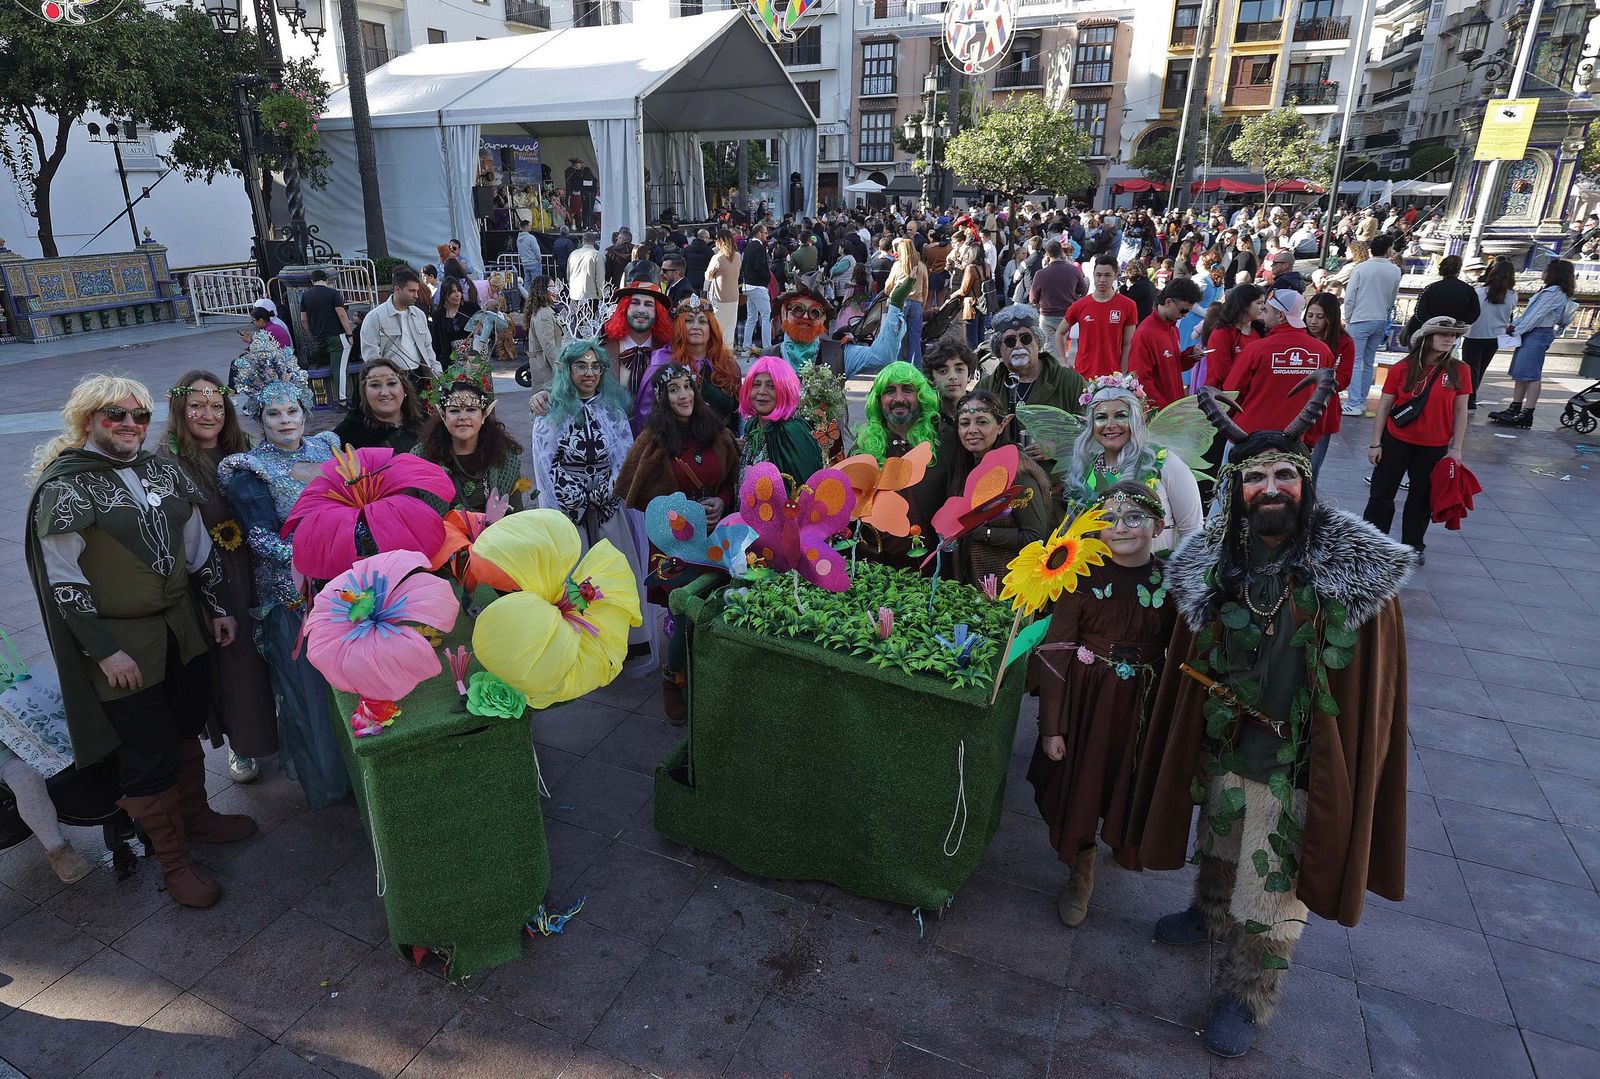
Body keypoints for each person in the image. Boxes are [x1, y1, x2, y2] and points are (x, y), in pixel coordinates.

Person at [1125, 381, 1412, 1058]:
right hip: (1226, 742)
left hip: (1297, 759)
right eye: (1256, 477)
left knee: (1270, 881)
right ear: (1238, 488)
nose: (1271, 487)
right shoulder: (1215, 561)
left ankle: (1247, 994)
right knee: (1221, 841)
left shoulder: (1354, 573)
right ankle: (1207, 911)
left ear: (1306, 482)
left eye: (1285, 473)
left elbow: (1371, 687)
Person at [26, 376, 249, 909]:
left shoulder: (162, 470)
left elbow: (197, 548)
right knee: (146, 753)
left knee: (185, 727)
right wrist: (105, 651)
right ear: (88, 420)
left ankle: (196, 817)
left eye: (140, 416)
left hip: (181, 629)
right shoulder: (65, 488)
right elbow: (63, 582)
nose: (130, 424)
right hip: (121, 644)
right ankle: (172, 860)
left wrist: (217, 606)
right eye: (116, 414)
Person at [1028, 481, 1176, 926]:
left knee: (1125, 779)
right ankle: (1082, 867)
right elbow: (1056, 650)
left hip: (1140, 705)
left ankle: (1120, 836)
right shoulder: (1080, 576)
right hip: (1087, 701)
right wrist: (1052, 727)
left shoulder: (1172, 582)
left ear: (1158, 526)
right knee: (1083, 781)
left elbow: (1181, 649)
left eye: (1134, 518)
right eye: (1109, 519)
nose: (1121, 527)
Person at [218, 346, 353, 812]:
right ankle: (331, 781)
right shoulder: (249, 469)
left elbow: (349, 504)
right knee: (310, 692)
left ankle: (365, 769)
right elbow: (259, 537)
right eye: (273, 413)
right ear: (259, 419)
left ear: (304, 410)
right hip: (292, 598)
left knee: (353, 678)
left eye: (291, 410)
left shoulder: (327, 447)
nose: (284, 420)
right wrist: (313, 561)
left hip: (344, 586)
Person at [159, 368, 276, 785]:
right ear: (180, 408)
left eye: (216, 405)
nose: (208, 414)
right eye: (197, 405)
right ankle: (242, 743)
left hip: (262, 565)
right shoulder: (169, 465)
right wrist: (209, 602)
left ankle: (287, 731)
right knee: (236, 664)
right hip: (216, 579)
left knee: (274, 653)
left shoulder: (244, 450)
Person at [616, 363, 740, 722]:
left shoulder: (715, 431)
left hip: (715, 534)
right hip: (675, 541)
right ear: (662, 397)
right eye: (674, 390)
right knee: (684, 611)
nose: (684, 395)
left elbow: (731, 476)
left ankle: (706, 675)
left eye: (688, 387)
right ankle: (672, 679)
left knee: (716, 605)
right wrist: (683, 513)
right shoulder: (653, 441)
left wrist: (722, 501)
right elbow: (638, 491)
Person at [531, 340, 650, 652]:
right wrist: (572, 497)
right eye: (581, 366)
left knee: (613, 574)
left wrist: (605, 492)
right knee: (575, 578)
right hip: (570, 514)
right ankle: (580, 644)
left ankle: (618, 641)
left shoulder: (612, 411)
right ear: (567, 370)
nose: (589, 373)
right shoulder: (550, 412)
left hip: (608, 510)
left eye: (595, 366)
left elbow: (625, 456)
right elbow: (545, 460)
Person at [1363, 317, 1472, 564]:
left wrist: (1456, 448)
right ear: (1426, 338)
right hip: (1396, 439)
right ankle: (1373, 543)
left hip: (1434, 445)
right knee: (1381, 494)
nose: (1449, 339)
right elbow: (1385, 406)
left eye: (1453, 335)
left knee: (1421, 499)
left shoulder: (1460, 370)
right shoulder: (1402, 368)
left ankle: (1413, 545)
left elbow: (1461, 411)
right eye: (1442, 334)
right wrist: (1375, 443)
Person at [1062, 376, 1204, 553]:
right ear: (1091, 424)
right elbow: (1069, 534)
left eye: (1121, 416)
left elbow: (1193, 531)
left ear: (1137, 419)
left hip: (1158, 568)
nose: (1110, 425)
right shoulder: (1083, 470)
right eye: (1101, 417)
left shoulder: (1164, 463)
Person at [945, 389, 1052, 583]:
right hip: (975, 586)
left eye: (982, 422)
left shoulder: (1018, 473)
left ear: (1002, 425)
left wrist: (981, 532)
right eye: (965, 423)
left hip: (1010, 587)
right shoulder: (965, 466)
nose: (972, 430)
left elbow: (1035, 537)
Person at [1223, 290, 1336, 451]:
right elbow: (1325, 401)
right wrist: (1309, 441)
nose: (1262, 315)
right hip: (1295, 442)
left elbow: (1231, 393)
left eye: (1266, 310)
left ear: (1281, 316)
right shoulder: (1323, 351)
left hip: (1248, 438)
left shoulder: (1256, 349)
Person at [981, 303, 1089, 471]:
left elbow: (1091, 430)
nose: (1018, 345)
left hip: (1056, 480)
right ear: (999, 349)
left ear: (1038, 341)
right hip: (1002, 477)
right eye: (1009, 341)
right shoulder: (987, 387)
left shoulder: (1070, 382)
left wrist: (1060, 447)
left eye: (1026, 338)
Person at [417, 357, 526, 514]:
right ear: (443, 416)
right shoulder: (422, 457)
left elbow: (516, 515)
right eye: (454, 411)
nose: (463, 417)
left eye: (471, 410)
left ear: (484, 415)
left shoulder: (505, 458)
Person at [1488, 259, 1577, 429]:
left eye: (1546, 269)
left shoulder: (1554, 293)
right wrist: (1515, 327)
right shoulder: (1550, 291)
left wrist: (1516, 331)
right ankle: (1515, 407)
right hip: (1533, 333)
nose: (1543, 272)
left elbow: (1535, 317)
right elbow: (1529, 314)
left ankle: (1527, 412)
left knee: (1531, 374)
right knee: (1521, 372)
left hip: (1537, 333)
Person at [635, 294, 742, 431]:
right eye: (689, 321)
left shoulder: (727, 364)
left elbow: (739, 412)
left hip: (723, 441)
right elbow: (644, 416)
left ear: (711, 328)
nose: (696, 326)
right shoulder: (662, 363)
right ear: (679, 326)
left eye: (702, 321)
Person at [738, 357, 825, 487]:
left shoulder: (792, 431)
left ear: (785, 390)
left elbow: (805, 489)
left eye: (771, 386)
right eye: (756, 384)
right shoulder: (753, 425)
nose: (762, 392)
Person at [1341, 234, 1402, 416]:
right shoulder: (1395, 270)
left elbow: (1350, 296)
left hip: (1360, 317)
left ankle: (1354, 402)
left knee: (1355, 361)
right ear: (1388, 249)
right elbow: (1392, 297)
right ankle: (1361, 400)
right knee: (1369, 361)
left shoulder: (1361, 268)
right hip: (1380, 318)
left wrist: (1348, 317)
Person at [1127, 279, 1203, 409]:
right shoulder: (1145, 334)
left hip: (1174, 407)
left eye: (1188, 311)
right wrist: (1163, 410)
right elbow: (1140, 380)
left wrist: (1191, 355)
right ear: (1168, 302)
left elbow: (1173, 365)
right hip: (1161, 413)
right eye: (1183, 310)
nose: (1184, 315)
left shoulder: (1173, 329)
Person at [1302, 292, 1355, 477]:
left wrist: (1320, 384)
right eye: (1310, 315)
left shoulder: (1345, 342)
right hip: (1296, 406)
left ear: (1331, 318)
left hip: (1323, 409)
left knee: (1311, 468)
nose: (1313, 321)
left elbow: (1344, 378)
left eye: (1320, 317)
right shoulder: (1300, 336)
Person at [1057, 257, 1138, 378]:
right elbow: (1060, 333)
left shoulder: (1128, 305)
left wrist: (1122, 372)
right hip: (1084, 375)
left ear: (1115, 276)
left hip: (1113, 377)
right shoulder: (1080, 305)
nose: (1102, 280)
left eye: (1107, 275)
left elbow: (1128, 344)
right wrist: (1062, 360)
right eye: (1098, 275)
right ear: (1093, 275)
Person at [333, 357, 427, 452]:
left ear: (404, 389)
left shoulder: (426, 422)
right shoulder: (346, 435)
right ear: (363, 393)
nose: (385, 393)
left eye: (392, 383)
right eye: (375, 385)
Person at [361, 267, 437, 382]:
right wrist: (385, 378)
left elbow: (427, 347)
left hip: (419, 376)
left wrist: (436, 372)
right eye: (412, 291)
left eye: (417, 291)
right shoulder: (375, 317)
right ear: (397, 290)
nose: (416, 295)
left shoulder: (419, 315)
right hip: (391, 378)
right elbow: (371, 355)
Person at [1462, 258, 1517, 411]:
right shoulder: (1512, 295)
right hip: (1495, 336)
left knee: (1470, 368)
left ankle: (1468, 398)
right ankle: (1472, 398)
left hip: (1475, 334)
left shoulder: (1479, 292)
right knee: (1481, 368)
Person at [1401, 255, 1481, 345]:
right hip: (1453, 334)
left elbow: (1419, 312)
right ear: (1459, 270)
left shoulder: (1431, 288)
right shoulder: (1468, 290)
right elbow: (1475, 312)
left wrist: (1434, 324)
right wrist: (1458, 324)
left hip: (1430, 333)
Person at [1028, 240, 1089, 346]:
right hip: (1069, 315)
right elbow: (1083, 290)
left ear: (1047, 255)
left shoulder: (1040, 274)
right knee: (1067, 347)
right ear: (1062, 253)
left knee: (1050, 347)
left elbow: (1032, 298)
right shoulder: (1073, 270)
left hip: (1047, 316)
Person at [884, 237, 930, 368]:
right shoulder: (922, 266)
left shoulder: (898, 265)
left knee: (898, 337)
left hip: (899, 303)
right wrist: (922, 304)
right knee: (915, 338)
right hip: (917, 303)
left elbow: (888, 286)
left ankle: (897, 366)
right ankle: (915, 368)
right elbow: (925, 288)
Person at [299, 269, 352, 377]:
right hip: (336, 337)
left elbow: (304, 320)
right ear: (326, 280)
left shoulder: (305, 295)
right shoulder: (333, 293)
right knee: (339, 371)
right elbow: (342, 314)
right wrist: (350, 334)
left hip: (318, 338)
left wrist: (311, 335)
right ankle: (341, 389)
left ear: (312, 281)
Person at [430, 277, 480, 369]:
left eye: (459, 291)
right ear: (445, 295)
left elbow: (483, 329)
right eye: (453, 292)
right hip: (451, 362)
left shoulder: (471, 308)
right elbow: (436, 343)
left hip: (474, 359)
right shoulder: (438, 315)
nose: (457, 295)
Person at [523, 274, 562, 392]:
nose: (555, 291)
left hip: (546, 367)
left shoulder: (545, 310)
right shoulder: (544, 313)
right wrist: (560, 369)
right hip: (546, 369)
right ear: (542, 291)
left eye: (555, 287)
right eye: (551, 288)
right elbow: (548, 345)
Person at [924, 338, 975, 427]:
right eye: (943, 371)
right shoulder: (926, 419)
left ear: (969, 375)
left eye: (959, 370)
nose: (952, 376)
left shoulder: (983, 411)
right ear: (931, 379)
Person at [741, 223, 775, 355]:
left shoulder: (748, 246)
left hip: (748, 285)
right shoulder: (760, 247)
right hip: (758, 286)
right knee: (766, 316)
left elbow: (744, 265)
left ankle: (746, 346)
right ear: (759, 233)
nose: (767, 235)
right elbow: (760, 267)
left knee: (751, 317)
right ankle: (767, 347)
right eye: (765, 233)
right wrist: (767, 278)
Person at [705, 229, 742, 347]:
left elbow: (708, 275)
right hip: (734, 296)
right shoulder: (738, 256)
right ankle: (728, 352)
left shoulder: (717, 258)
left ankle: (717, 352)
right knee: (730, 328)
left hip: (719, 297)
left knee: (717, 328)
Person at [567, 233, 605, 302]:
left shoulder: (573, 254)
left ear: (583, 241)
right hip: (591, 294)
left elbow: (568, 274)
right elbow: (600, 277)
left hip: (574, 293)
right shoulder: (597, 255)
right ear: (594, 242)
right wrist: (600, 294)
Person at [516, 220, 544, 284]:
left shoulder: (518, 239)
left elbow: (519, 251)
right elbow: (536, 250)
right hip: (534, 263)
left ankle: (526, 291)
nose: (530, 226)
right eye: (529, 225)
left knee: (527, 282)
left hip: (525, 263)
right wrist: (539, 260)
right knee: (537, 283)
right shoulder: (531, 237)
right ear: (527, 226)